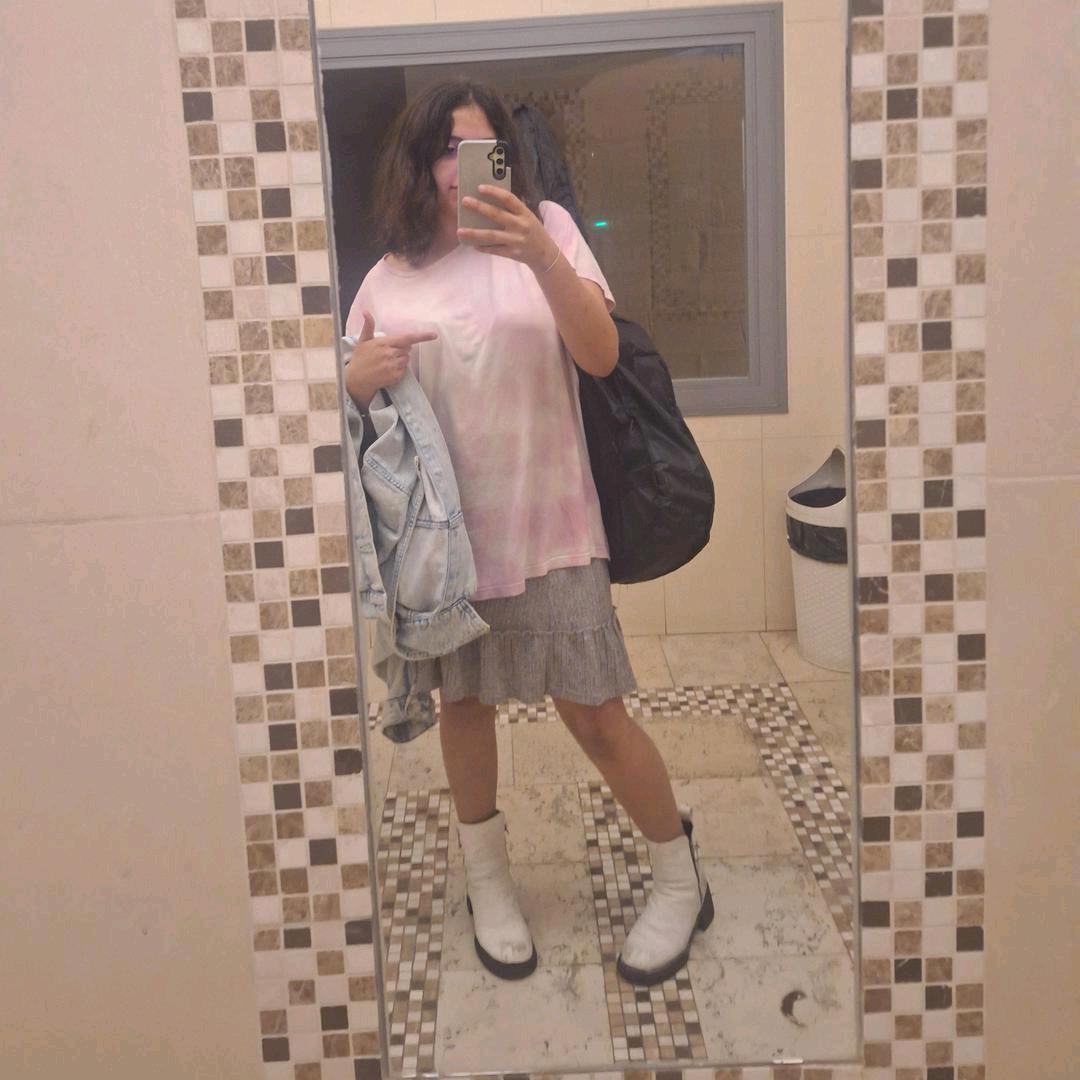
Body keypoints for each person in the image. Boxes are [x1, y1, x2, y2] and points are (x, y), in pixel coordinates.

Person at [342, 78, 712, 987]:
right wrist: (353, 378)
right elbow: (354, 409)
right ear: (418, 164)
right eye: (445, 151)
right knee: (465, 712)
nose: (461, 170)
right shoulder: (389, 276)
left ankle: (680, 877)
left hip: (555, 524)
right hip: (449, 548)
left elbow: (601, 353)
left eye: (480, 150)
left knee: (595, 715)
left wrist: (541, 253)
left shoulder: (546, 232)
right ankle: (488, 885)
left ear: (504, 158)